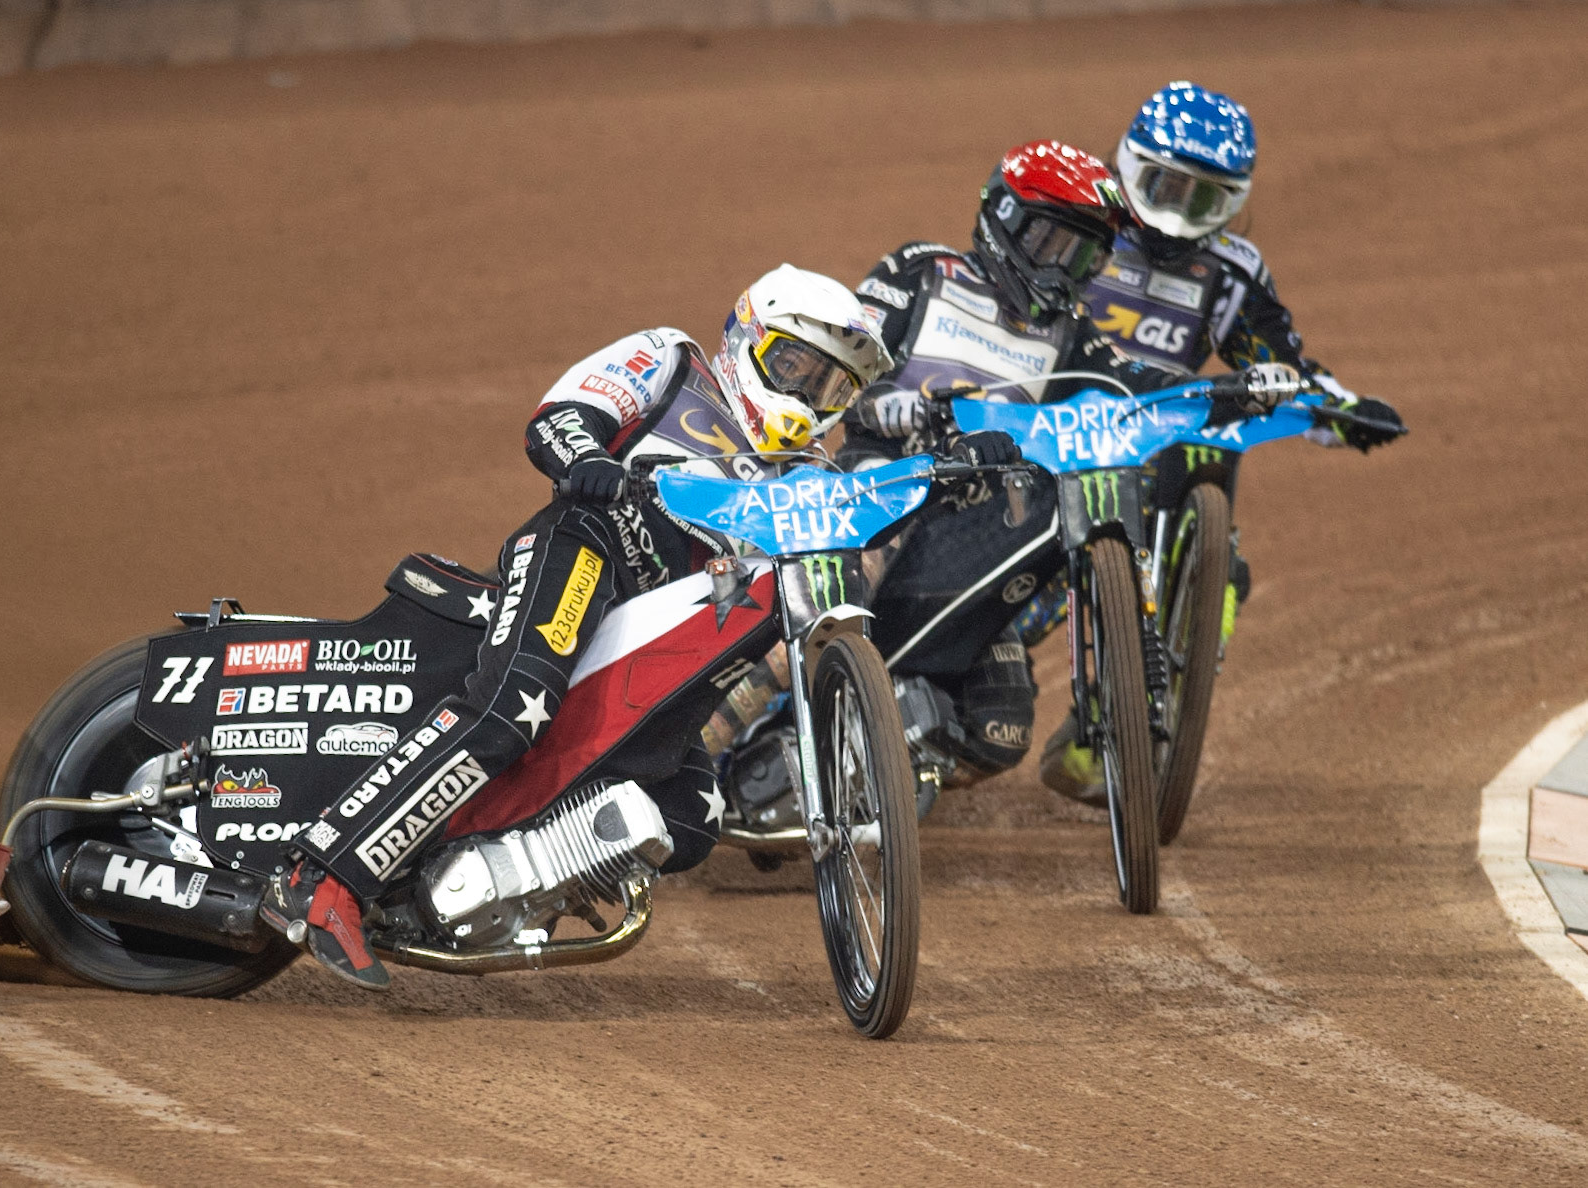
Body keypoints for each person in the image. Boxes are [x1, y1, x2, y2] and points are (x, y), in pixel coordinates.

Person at [260, 265, 897, 988]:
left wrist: (975, 464)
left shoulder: (802, 480)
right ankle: (319, 879)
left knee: (690, 812)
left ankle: (476, 880)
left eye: (831, 386)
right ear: (747, 339)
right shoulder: (674, 361)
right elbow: (561, 416)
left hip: (651, 645)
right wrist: (590, 459)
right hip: (589, 546)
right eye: (796, 365)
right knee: (511, 708)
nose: (808, 395)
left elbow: (872, 510)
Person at [1035, 82, 1407, 803]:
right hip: (1048, 436)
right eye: (1169, 186)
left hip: (1150, 441)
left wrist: (1340, 412)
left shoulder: (1233, 273)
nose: (1180, 211)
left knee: (1225, 568)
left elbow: (1277, 365)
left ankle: (1132, 705)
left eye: (1204, 199)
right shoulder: (1082, 224)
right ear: (1131, 165)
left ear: (1232, 202)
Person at [840, 140, 1198, 781]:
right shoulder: (921, 272)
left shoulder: (1071, 334)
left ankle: (884, 759)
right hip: (887, 488)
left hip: (986, 531)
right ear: (1003, 217)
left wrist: (1228, 395)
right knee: (849, 579)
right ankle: (737, 721)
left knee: (1001, 734)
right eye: (1050, 243)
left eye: (1082, 254)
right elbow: (844, 373)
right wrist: (909, 410)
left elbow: (1133, 389)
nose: (1062, 270)